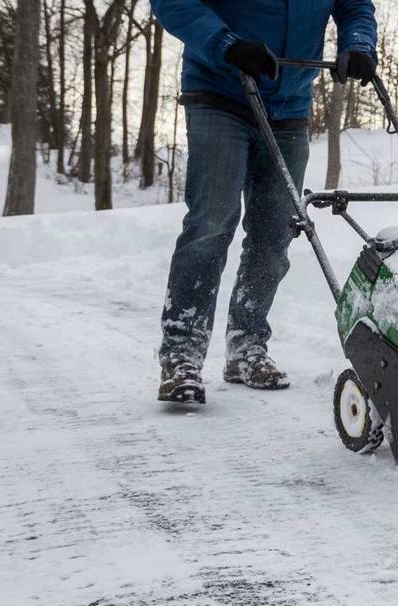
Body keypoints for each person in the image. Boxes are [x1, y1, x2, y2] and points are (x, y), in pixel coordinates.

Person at [151, 0, 377, 404]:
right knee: (211, 223)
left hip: (289, 104)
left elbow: (354, 5)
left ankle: (246, 345)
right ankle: (181, 355)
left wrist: (358, 44)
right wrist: (226, 44)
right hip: (220, 92)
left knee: (274, 235)